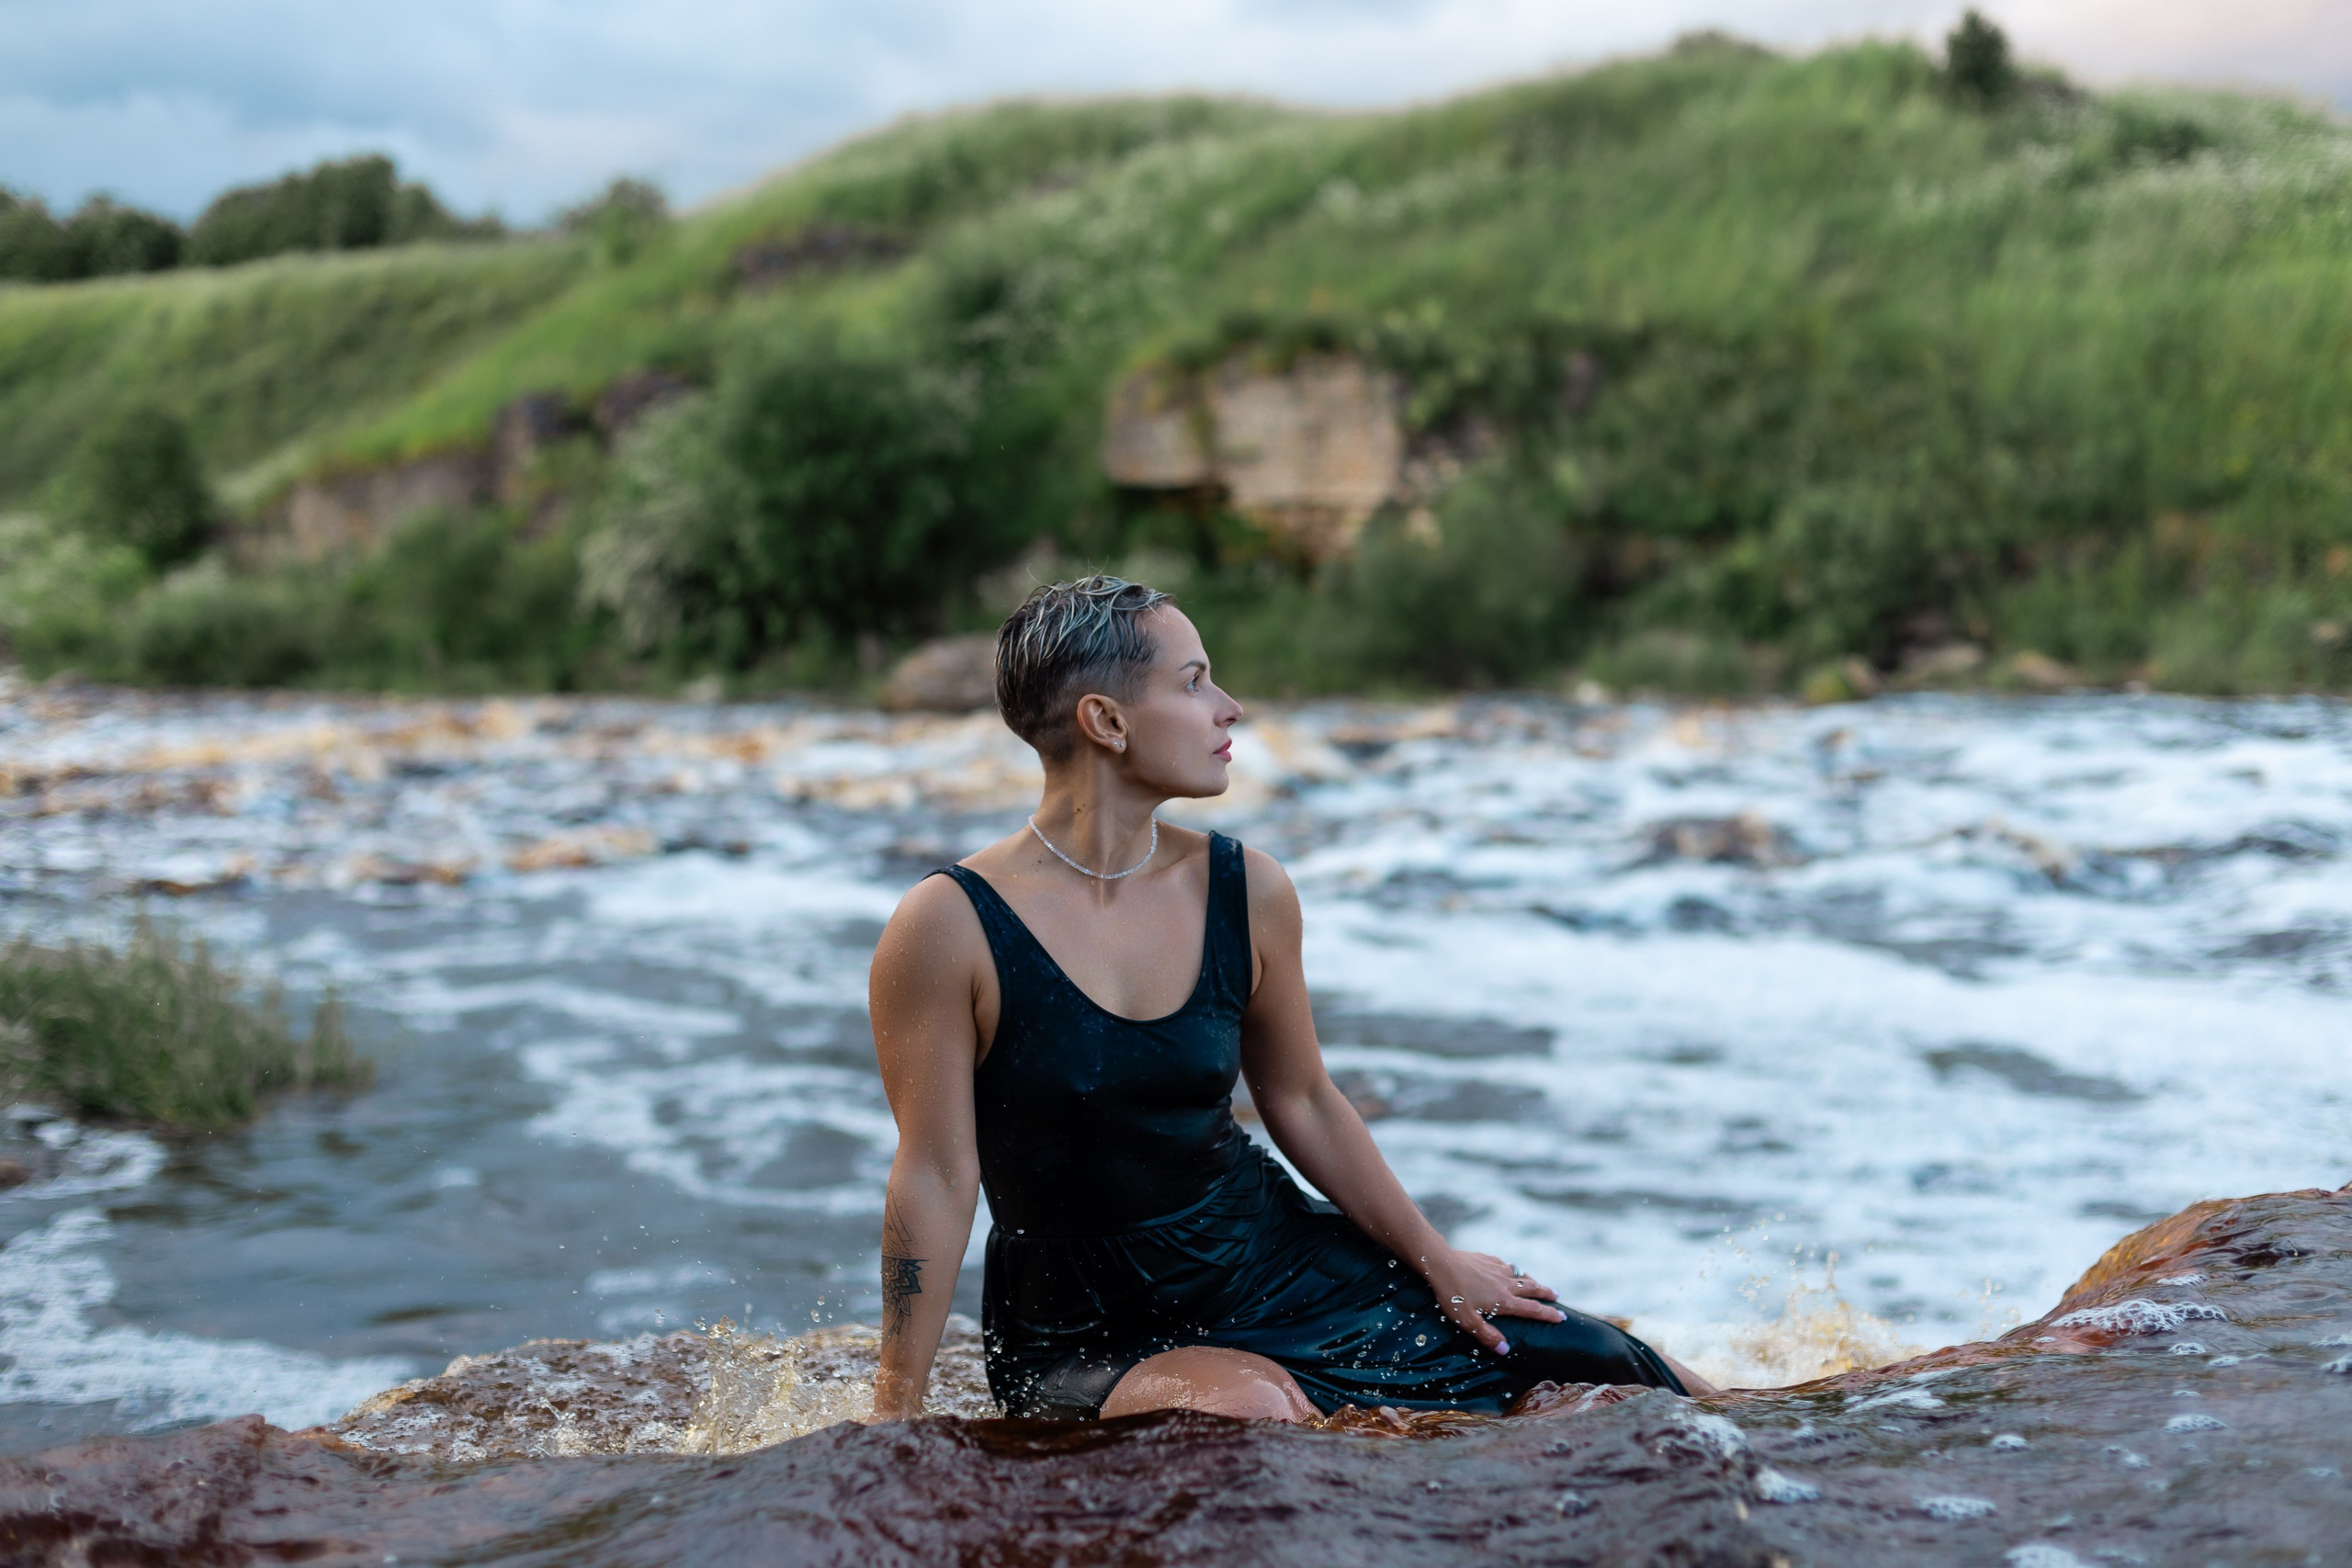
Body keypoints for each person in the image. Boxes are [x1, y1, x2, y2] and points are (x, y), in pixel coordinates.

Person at [867, 576, 1713, 1423]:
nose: (1229, 707)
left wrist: (1438, 1260)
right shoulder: (948, 926)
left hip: (1274, 1261)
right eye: (1194, 682)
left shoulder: (1247, 890)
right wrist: (894, 1415)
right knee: (1253, 1413)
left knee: (1609, 1361)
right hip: (1088, 1326)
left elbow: (1304, 1099)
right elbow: (936, 1174)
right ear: (1107, 722)